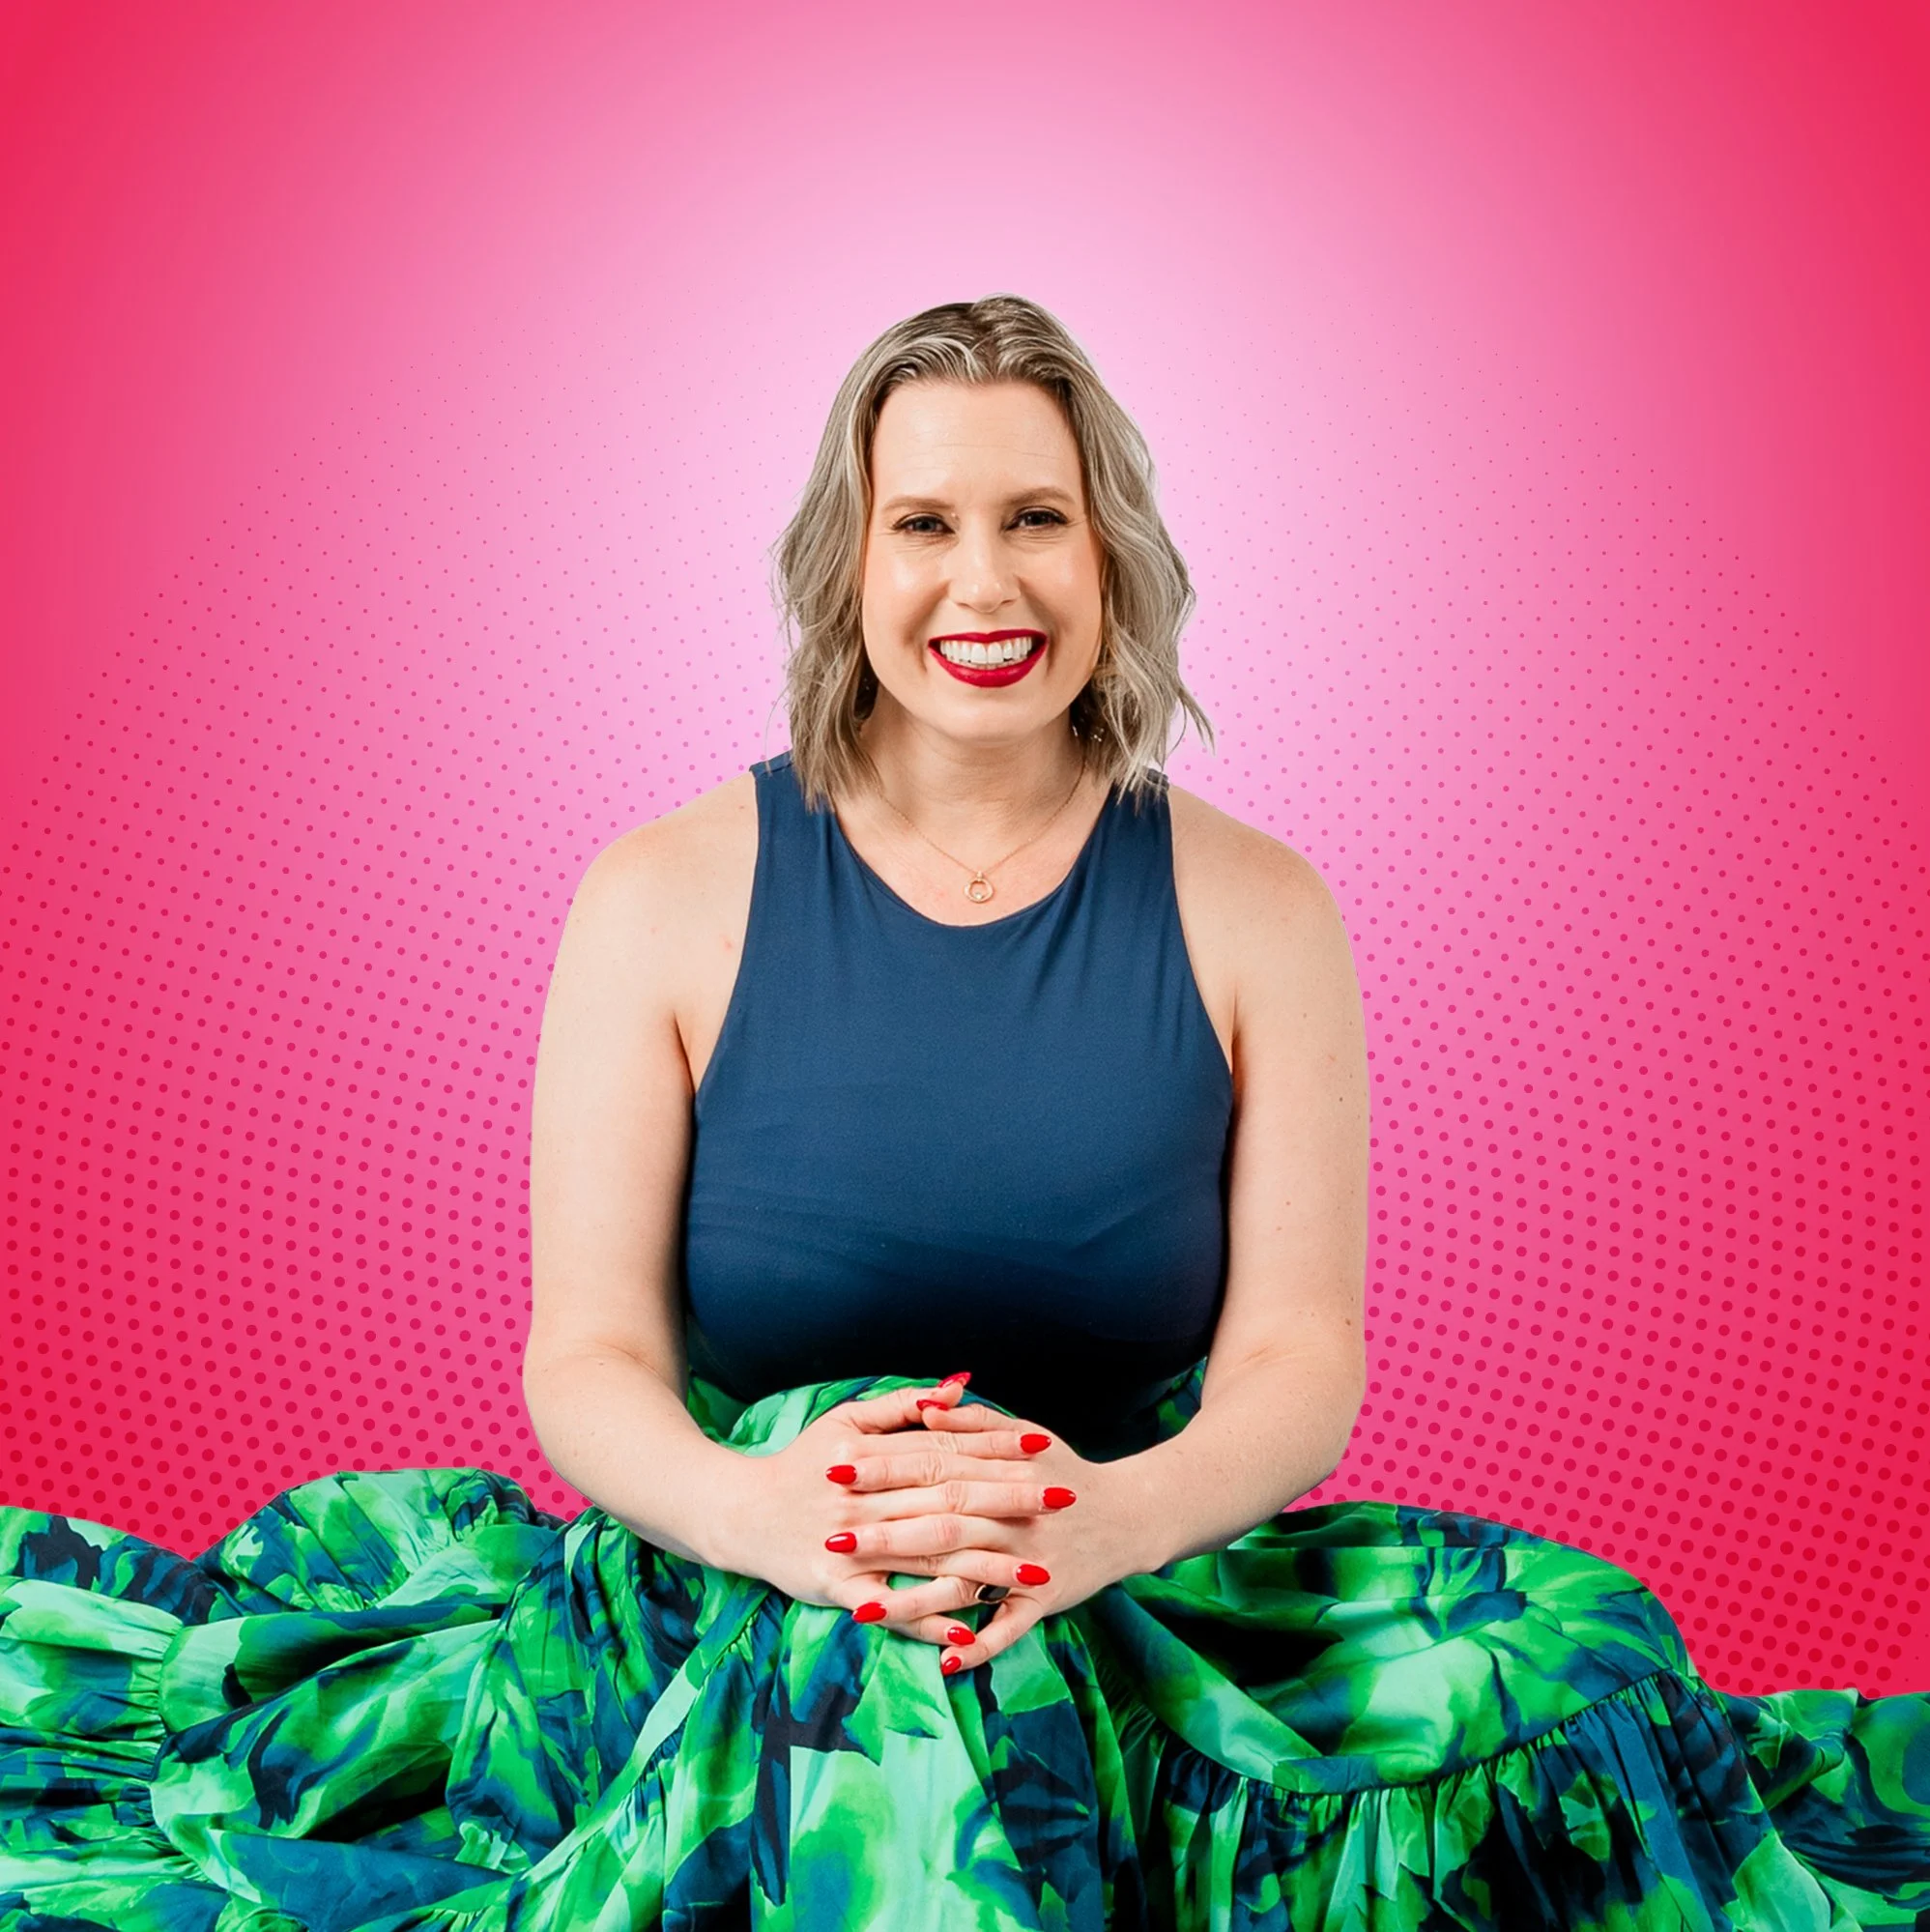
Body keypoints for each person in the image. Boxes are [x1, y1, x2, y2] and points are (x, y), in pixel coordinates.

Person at [0, 297, 1923, 1931]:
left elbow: (1294, 1356)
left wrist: (1094, 1527)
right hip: (727, 1575)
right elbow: (584, 1358)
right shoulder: (661, 892)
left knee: (1577, 1655)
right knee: (883, 1652)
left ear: (1113, 560)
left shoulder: (1258, 908)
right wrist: (773, 1517)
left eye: (1036, 520)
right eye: (923, 521)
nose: (982, 583)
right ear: (850, 560)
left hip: (1145, 1572)